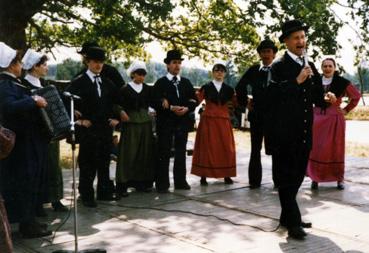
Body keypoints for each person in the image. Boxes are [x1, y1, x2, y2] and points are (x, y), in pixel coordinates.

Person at [264, 20, 336, 240]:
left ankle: (288, 215)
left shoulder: (309, 64)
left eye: (303, 37)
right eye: (296, 38)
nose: (301, 41)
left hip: (304, 132)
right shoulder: (278, 66)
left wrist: (326, 99)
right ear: (286, 41)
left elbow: (314, 95)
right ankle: (293, 221)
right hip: (284, 133)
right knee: (286, 178)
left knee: (296, 177)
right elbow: (271, 96)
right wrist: (296, 81)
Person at [0, 42, 52, 238]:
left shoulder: (13, 83)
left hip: (29, 140)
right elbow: (9, 107)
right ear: (11, 64)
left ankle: (30, 221)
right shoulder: (5, 85)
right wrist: (32, 100)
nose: (21, 66)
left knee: (31, 182)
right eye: (18, 62)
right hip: (22, 143)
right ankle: (27, 224)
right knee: (25, 182)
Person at [67, 46, 120, 207]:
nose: (99, 65)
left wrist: (116, 118)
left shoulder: (108, 83)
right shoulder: (78, 82)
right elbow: (66, 102)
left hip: (104, 129)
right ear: (88, 62)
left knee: (104, 162)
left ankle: (104, 192)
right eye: (95, 62)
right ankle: (87, 195)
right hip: (88, 130)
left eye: (101, 62)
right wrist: (79, 120)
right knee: (87, 163)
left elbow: (117, 102)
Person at [21, 49, 68, 214]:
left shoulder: (45, 85)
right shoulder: (24, 85)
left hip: (50, 132)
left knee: (53, 166)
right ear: (35, 66)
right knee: (38, 167)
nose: (47, 68)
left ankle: (55, 199)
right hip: (34, 133)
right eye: (44, 65)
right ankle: (38, 203)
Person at [307, 58, 360, 190]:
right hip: (317, 117)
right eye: (324, 66)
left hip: (335, 118)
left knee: (335, 148)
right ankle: (315, 178)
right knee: (317, 148)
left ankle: (339, 179)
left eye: (330, 66)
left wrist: (346, 109)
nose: (327, 68)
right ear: (321, 68)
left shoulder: (342, 82)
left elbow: (356, 96)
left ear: (334, 67)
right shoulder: (315, 81)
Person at [151, 49, 197, 193]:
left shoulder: (186, 82)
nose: (177, 66)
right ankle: (162, 184)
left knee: (180, 152)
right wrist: (169, 106)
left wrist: (187, 108)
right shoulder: (160, 83)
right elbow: (154, 101)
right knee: (163, 152)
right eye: (174, 63)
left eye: (179, 63)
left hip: (182, 123)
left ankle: (180, 181)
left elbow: (194, 99)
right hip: (165, 123)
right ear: (168, 65)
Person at [236, 39, 278, 189]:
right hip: (257, 115)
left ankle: (278, 182)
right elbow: (240, 86)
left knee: (276, 150)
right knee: (255, 149)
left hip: (275, 116)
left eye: (269, 51)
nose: (266, 54)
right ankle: (254, 181)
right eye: (263, 52)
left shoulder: (280, 69)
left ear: (274, 54)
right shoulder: (254, 70)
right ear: (259, 54)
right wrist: (245, 102)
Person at [191, 61, 236, 185]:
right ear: (213, 72)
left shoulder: (229, 89)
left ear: (225, 74)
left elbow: (237, 103)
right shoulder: (206, 87)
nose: (219, 73)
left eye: (222, 71)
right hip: (208, 121)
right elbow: (196, 100)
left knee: (226, 147)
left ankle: (227, 175)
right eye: (217, 70)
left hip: (223, 121)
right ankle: (203, 176)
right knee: (207, 147)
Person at [115, 61, 154, 197]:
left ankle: (142, 182)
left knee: (144, 153)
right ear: (133, 74)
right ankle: (123, 184)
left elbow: (152, 103)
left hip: (145, 123)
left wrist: (151, 109)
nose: (142, 77)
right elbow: (117, 104)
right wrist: (121, 112)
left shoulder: (148, 89)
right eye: (139, 74)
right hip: (131, 123)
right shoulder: (125, 89)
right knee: (128, 153)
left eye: (144, 74)